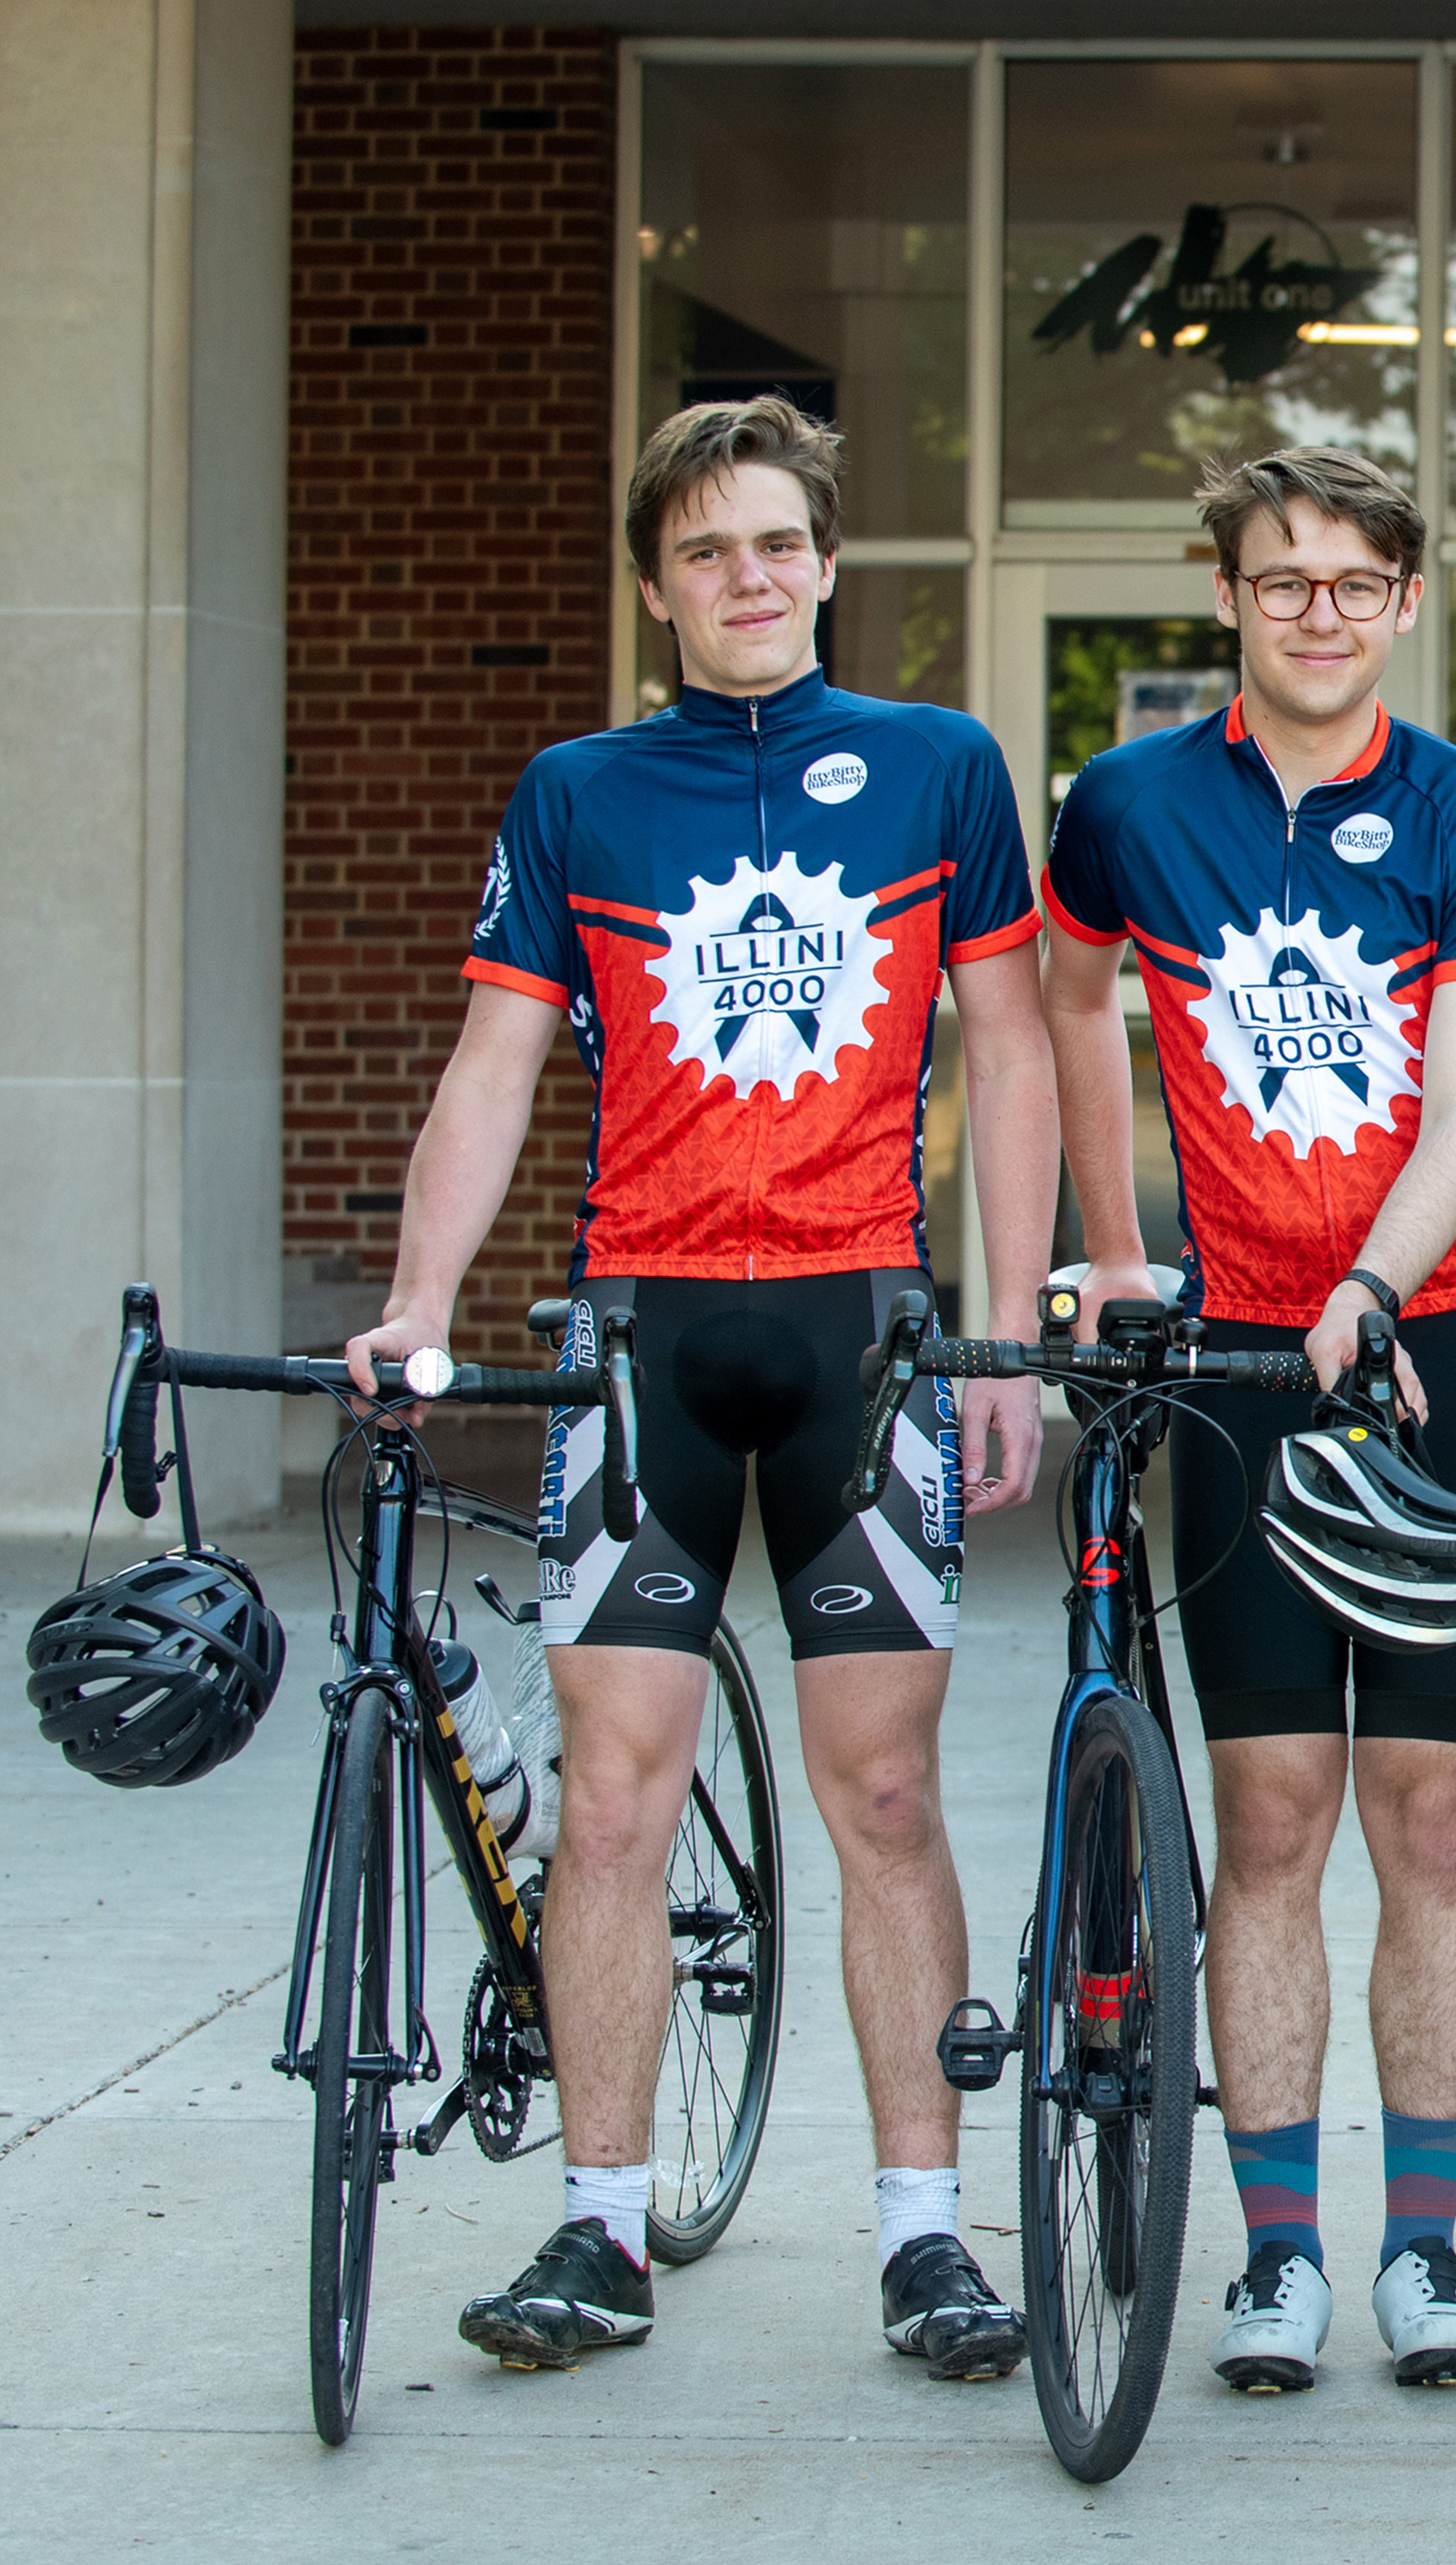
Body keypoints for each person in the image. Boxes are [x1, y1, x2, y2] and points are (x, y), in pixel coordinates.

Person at [348, 394, 1058, 2379]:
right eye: (705, 551)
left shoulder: (938, 768)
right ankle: (599, 2227)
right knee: (610, 1797)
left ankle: (926, 2235)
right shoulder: (579, 791)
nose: (747, 577)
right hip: (639, 1328)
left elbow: (1010, 1046)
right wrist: (415, 1300)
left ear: (825, 564)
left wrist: (1004, 1330)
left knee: (887, 1791)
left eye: (776, 543)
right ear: (657, 588)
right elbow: (495, 1060)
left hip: (865, 1331)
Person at [1044, 446, 1456, 2393]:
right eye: (1281, 580)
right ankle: (1278, 2259)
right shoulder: (1131, 804)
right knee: (1269, 1817)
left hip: (1433, 1354)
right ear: (1230, 599)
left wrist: (1374, 1288)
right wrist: (1117, 1248)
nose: (1317, 612)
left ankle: (1425, 2246)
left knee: (1431, 1816)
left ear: (1403, 602)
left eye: (1352, 583)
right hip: (1239, 1365)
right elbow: (1068, 1002)